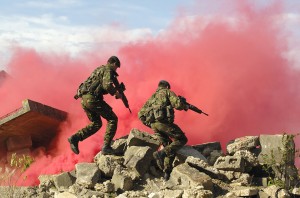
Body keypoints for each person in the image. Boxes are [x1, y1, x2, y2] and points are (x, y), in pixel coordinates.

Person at [68, 56, 123, 155]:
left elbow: (100, 86)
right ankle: (106, 147)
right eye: (117, 67)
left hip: (84, 99)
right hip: (93, 99)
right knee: (112, 119)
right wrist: (116, 93)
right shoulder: (108, 70)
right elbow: (107, 86)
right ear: (114, 64)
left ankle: (75, 138)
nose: (116, 69)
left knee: (96, 123)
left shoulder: (99, 69)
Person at [138, 80, 190, 180]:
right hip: (164, 124)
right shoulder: (167, 92)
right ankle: (160, 153)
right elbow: (178, 105)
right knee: (182, 139)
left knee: (169, 146)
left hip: (154, 126)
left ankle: (167, 173)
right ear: (166, 86)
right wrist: (184, 105)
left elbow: (140, 114)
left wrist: (150, 124)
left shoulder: (152, 97)